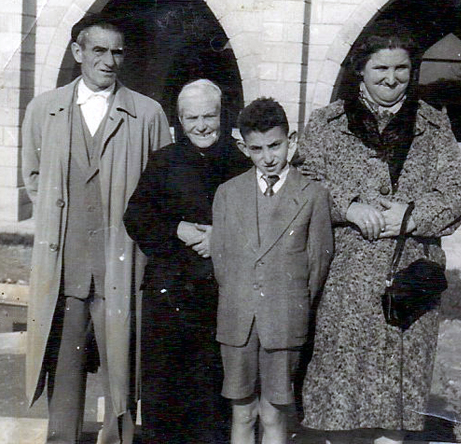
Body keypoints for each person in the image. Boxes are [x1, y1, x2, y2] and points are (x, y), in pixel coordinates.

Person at [298, 24, 461, 443]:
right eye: (381, 68)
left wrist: (410, 218)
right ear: (361, 69)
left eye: (401, 69)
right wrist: (348, 207)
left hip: (408, 286)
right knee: (339, 401)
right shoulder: (326, 124)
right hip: (344, 287)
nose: (392, 79)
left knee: (397, 403)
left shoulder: (434, 126)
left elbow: (458, 190)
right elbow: (303, 183)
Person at [21, 13, 172, 444]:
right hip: (64, 273)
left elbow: (162, 188)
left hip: (121, 272)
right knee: (63, 377)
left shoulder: (147, 114)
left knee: (122, 378)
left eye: (117, 52)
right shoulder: (43, 110)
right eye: (99, 50)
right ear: (78, 52)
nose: (109, 61)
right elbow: (35, 179)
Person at [123, 79, 247, 443]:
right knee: (165, 400)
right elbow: (136, 217)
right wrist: (177, 228)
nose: (202, 126)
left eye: (209, 116)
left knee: (212, 401)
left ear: (223, 115)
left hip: (220, 300)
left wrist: (221, 238)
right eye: (192, 118)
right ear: (179, 120)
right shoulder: (164, 161)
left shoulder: (241, 163)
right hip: (169, 299)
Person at [210, 97, 334, 444]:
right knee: (243, 413)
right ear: (243, 148)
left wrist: (290, 305)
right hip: (238, 322)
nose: (267, 157)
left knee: (273, 415)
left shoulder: (313, 195)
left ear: (291, 140)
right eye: (257, 149)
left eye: (275, 146)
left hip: (283, 321)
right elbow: (221, 261)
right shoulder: (227, 194)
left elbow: (317, 265)